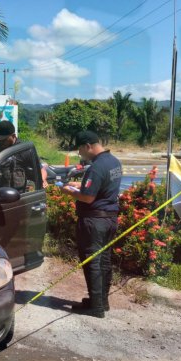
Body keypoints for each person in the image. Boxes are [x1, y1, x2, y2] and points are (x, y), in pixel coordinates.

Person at [60, 130, 122, 318]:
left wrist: (68, 191)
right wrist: (80, 184)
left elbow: (87, 197)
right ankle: (102, 301)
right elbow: (101, 186)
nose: (80, 154)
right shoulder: (113, 162)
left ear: (88, 146)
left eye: (80, 149)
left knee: (92, 263)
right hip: (109, 219)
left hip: (94, 221)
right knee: (104, 261)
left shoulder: (96, 167)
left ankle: (96, 308)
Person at [0, 120, 48, 190]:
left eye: (4, 139)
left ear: (13, 136)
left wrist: (43, 181)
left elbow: (40, 169)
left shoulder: (23, 150)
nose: (1, 142)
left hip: (18, 196)